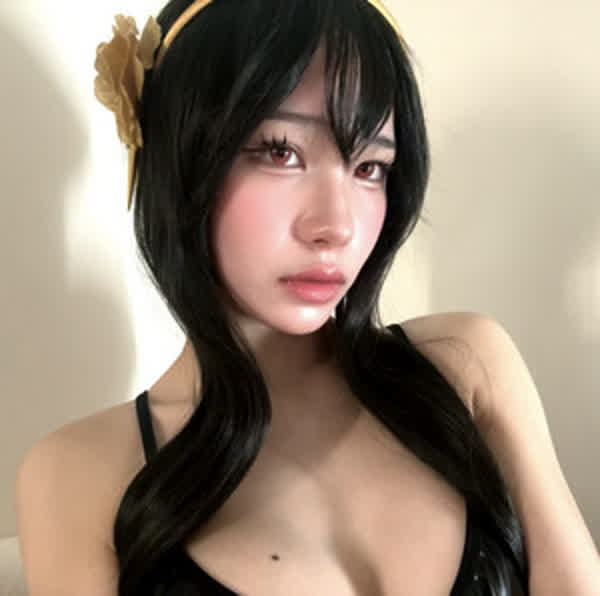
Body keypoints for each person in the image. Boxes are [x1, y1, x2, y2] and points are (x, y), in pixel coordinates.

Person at [16, 1, 600, 594]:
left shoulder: (469, 368)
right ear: (179, 159)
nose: (336, 226)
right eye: (280, 152)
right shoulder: (78, 475)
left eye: (370, 167)